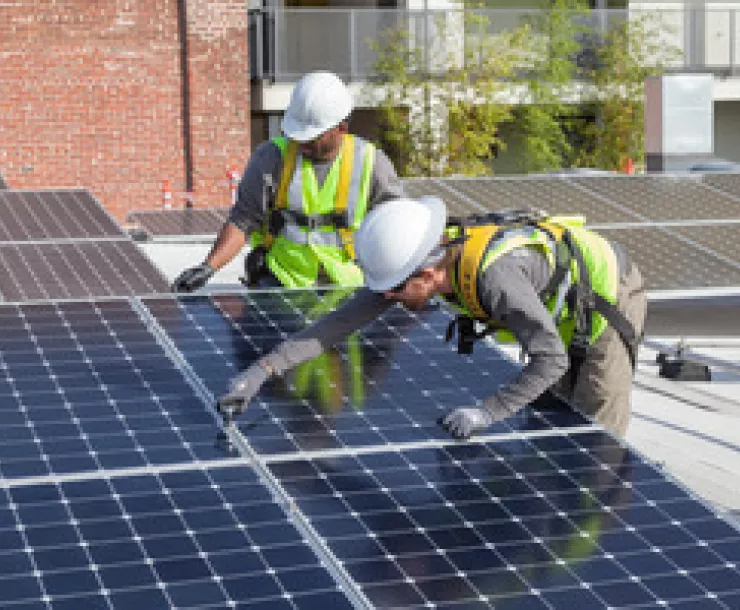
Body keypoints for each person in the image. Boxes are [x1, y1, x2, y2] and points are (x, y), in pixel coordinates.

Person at [217, 196, 647, 439]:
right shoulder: (415, 268)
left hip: (607, 301)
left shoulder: (494, 279)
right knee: (553, 411)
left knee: (594, 437)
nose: (387, 298)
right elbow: (337, 325)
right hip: (555, 310)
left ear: (425, 272)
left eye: (394, 290)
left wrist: (487, 412)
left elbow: (550, 359)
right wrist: (260, 372)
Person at [171, 71, 404, 292]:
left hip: (347, 287)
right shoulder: (271, 158)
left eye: (312, 135)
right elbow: (243, 221)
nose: (302, 142)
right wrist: (209, 266)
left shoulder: (371, 163)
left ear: (341, 128)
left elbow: (396, 227)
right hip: (281, 284)